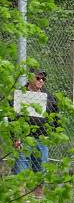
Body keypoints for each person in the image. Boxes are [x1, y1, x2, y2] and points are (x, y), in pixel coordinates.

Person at [13, 68, 58, 196]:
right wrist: (15, 138)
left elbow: (55, 115)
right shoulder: (20, 94)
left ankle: (38, 200)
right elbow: (12, 118)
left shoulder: (48, 96)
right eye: (38, 78)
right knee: (21, 172)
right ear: (30, 78)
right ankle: (20, 202)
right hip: (24, 138)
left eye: (43, 78)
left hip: (42, 139)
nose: (41, 81)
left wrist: (52, 132)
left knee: (41, 171)